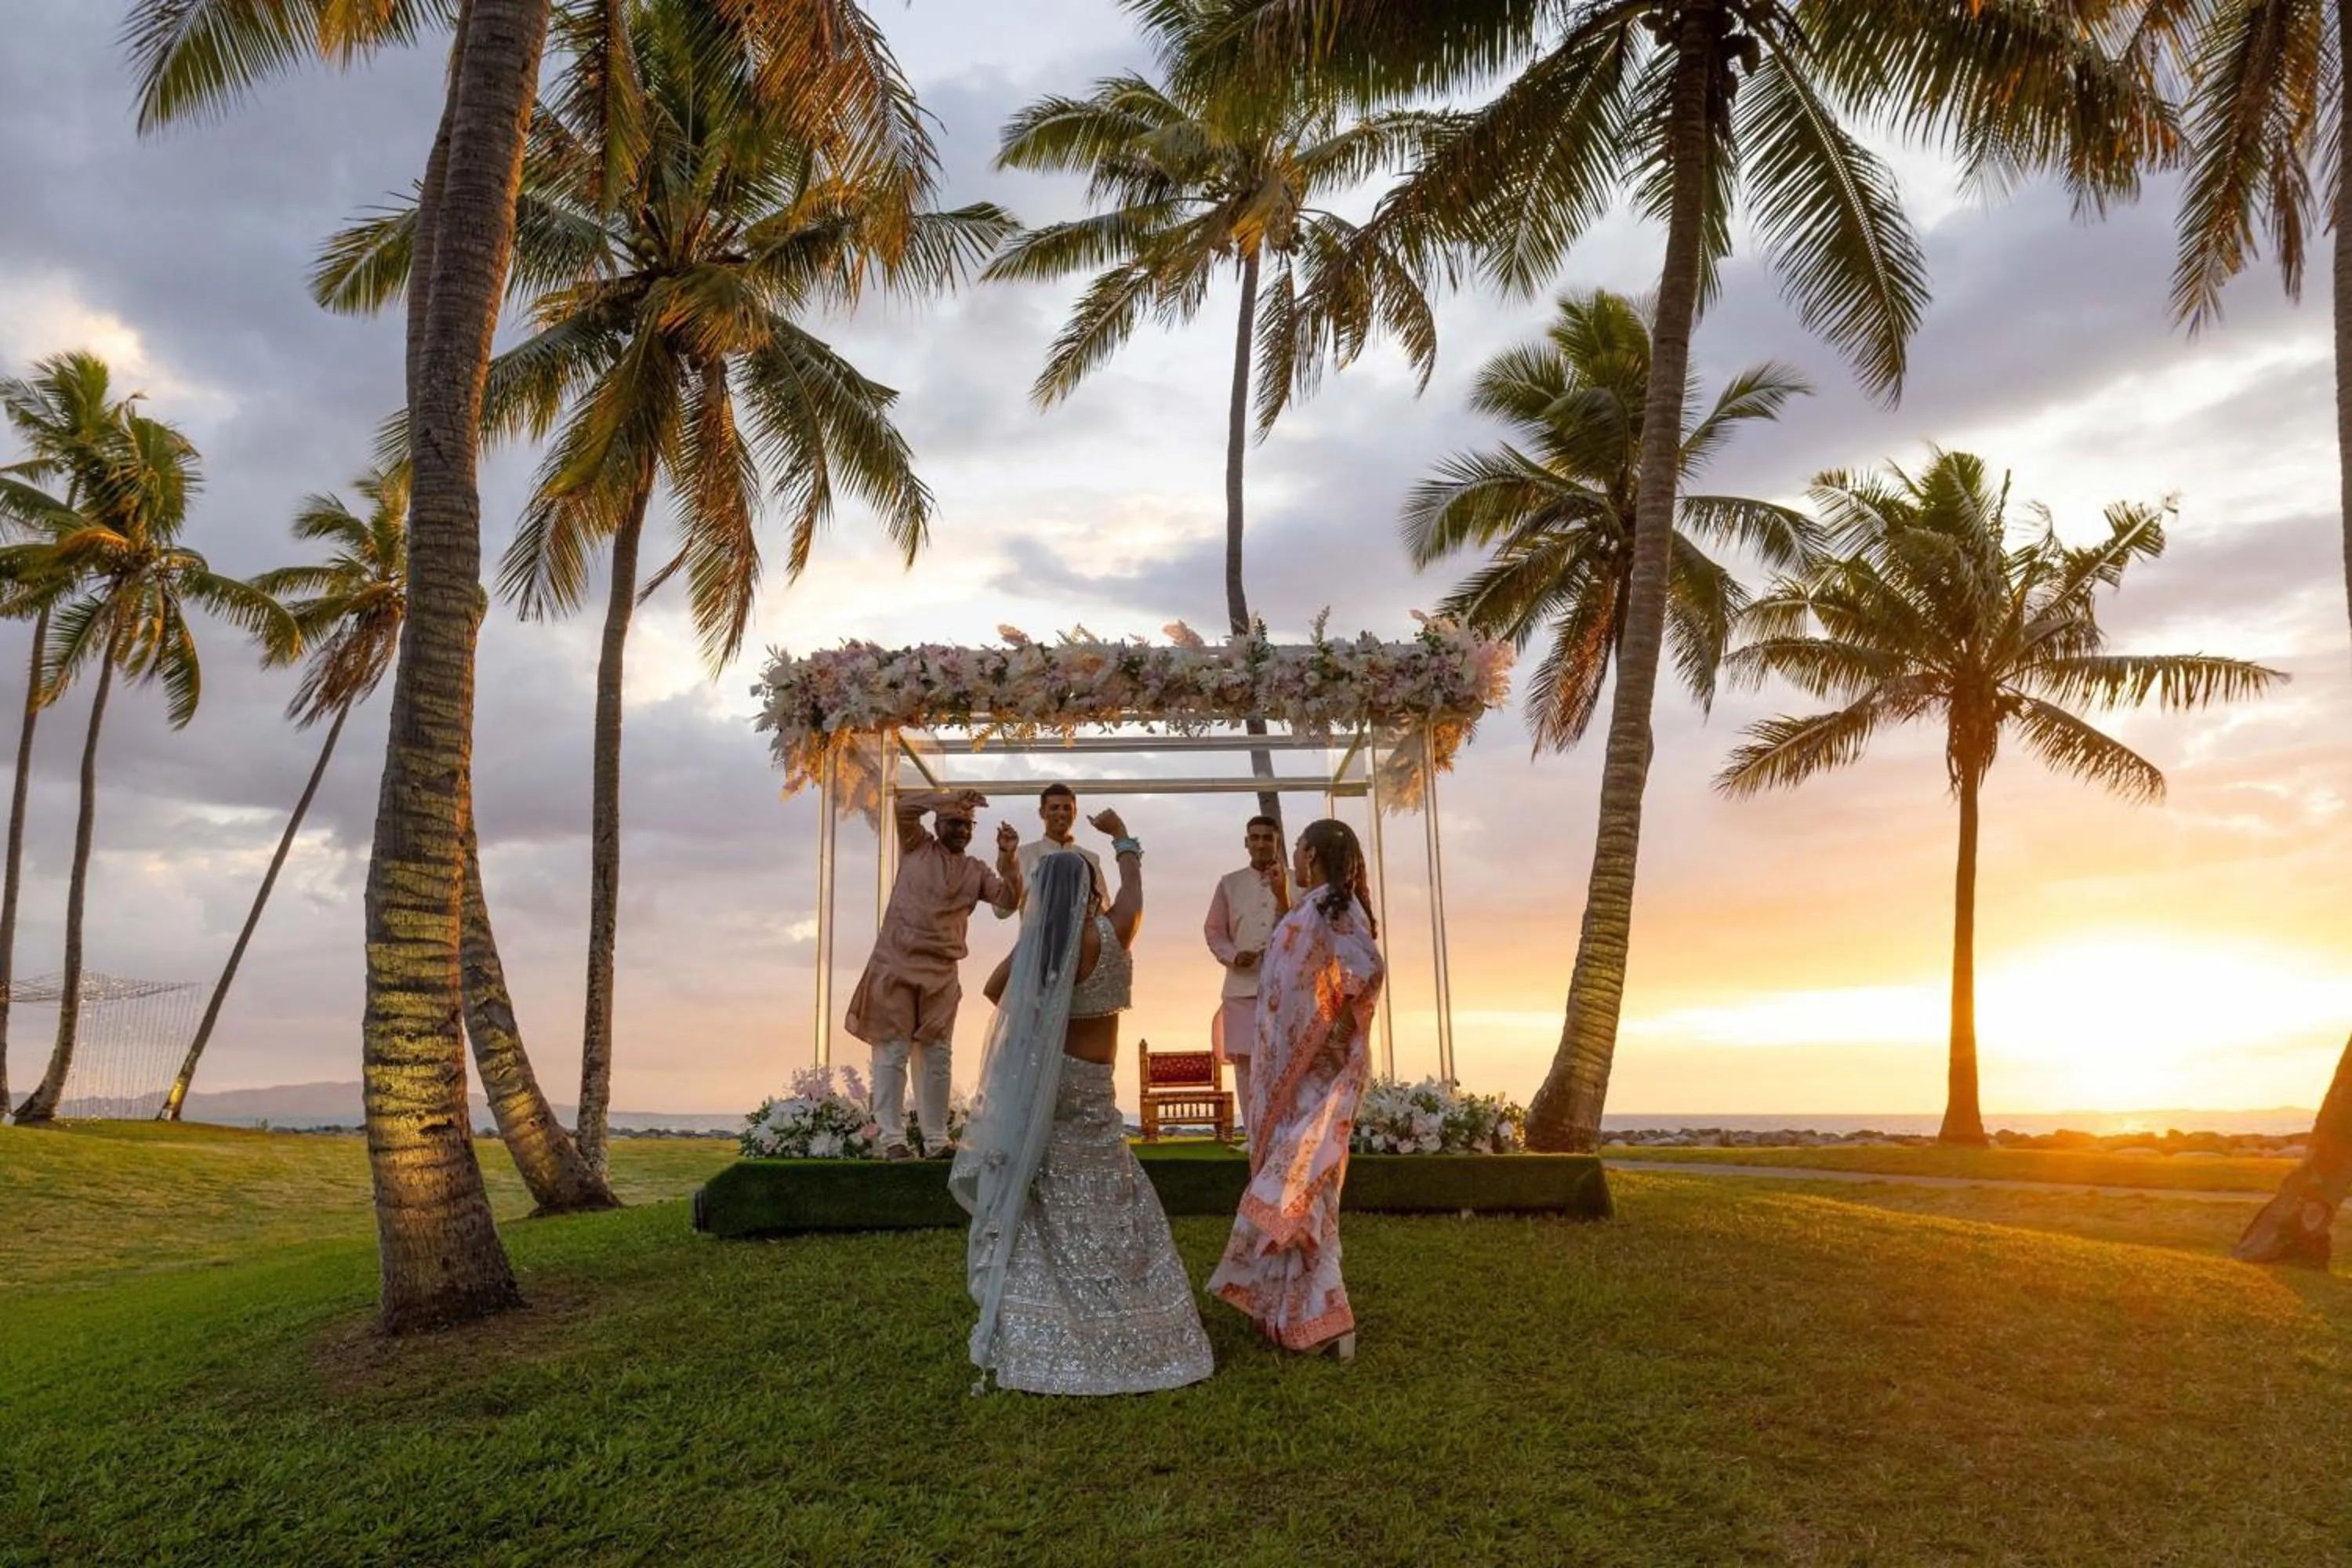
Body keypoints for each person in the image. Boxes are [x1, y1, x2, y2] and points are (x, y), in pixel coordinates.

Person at [952, 813, 1214, 1396]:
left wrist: (1042, 1009)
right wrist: (1122, 842)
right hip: (1098, 1087)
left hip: (1054, 1083)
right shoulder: (1118, 931)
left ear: (1046, 895)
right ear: (1095, 888)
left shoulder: (1046, 941)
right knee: (1110, 1190)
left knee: (1050, 1193)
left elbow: (996, 992)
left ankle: (1051, 1313)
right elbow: (1136, 891)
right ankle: (1133, 1311)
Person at [1207, 818, 1385, 1361]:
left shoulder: (1337, 908)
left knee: (1307, 1195)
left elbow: (1367, 969)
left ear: (1310, 854)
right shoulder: (1312, 906)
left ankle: (1330, 1319)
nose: (1296, 857)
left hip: (1317, 1076)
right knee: (1295, 1195)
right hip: (1293, 1078)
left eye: (1299, 850)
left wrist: (1331, 1032)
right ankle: (1291, 1313)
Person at [844, 789, 1021, 1160]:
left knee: (938, 1055)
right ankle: (892, 1139)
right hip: (896, 964)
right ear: (937, 823)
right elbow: (903, 807)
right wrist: (948, 796)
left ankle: (937, 1141)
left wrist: (1008, 855)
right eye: (953, 823)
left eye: (968, 825)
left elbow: (1007, 901)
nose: (961, 830)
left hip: (942, 972)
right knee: (892, 1051)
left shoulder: (975, 869)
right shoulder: (916, 844)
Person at [1203, 815, 1290, 1128]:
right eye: (1255, 838)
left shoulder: (1297, 882)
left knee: (1284, 1061)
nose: (1261, 843)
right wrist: (1234, 955)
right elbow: (1214, 931)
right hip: (1241, 988)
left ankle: (1282, 1135)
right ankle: (1255, 1135)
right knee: (1246, 1067)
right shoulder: (1230, 883)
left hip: (1286, 990)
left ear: (1277, 842)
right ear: (1246, 843)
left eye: (1268, 837)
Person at [995, 782, 1107, 920]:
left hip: (1080, 941)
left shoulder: (1091, 859)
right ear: (1042, 812)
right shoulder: (1022, 855)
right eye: (1054, 808)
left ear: (1075, 813)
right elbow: (1000, 911)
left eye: (1067, 808)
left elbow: (1104, 912)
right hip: (1034, 941)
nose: (1061, 813)